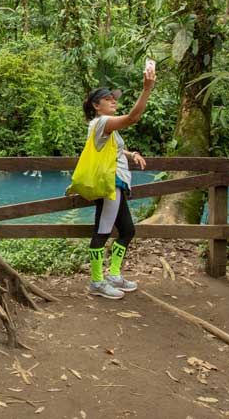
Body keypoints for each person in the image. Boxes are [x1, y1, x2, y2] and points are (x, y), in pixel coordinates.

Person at [83, 66, 156, 299]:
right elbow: (133, 118)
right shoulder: (102, 122)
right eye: (107, 99)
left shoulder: (105, 128)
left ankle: (113, 275)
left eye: (114, 98)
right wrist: (147, 89)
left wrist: (131, 154)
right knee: (103, 231)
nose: (113, 101)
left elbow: (113, 150)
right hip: (109, 185)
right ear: (97, 106)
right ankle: (96, 281)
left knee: (127, 230)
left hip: (118, 184)